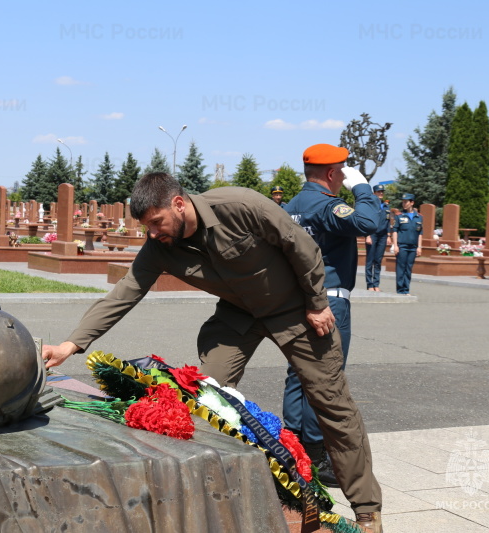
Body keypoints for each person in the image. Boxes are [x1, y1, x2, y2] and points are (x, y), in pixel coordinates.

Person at [42, 172, 383, 531]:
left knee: (332, 403)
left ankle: (367, 509)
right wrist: (71, 344)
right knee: (205, 398)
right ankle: (226, 494)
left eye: (157, 222)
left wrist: (317, 302)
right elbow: (127, 290)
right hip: (239, 317)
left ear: (178, 203)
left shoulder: (240, 206)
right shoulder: (160, 245)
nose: (154, 233)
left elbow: (301, 246)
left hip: (296, 309)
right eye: (148, 227)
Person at [282, 144, 384, 488]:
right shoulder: (325, 204)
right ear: (331, 173)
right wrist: (362, 188)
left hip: (299, 302)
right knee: (325, 378)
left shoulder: (293, 205)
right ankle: (315, 452)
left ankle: (291, 445)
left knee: (299, 374)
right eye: (342, 170)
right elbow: (370, 222)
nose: (344, 176)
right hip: (328, 304)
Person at [390, 193, 423, 295]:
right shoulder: (399, 216)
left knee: (408, 268)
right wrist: (395, 245)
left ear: (412, 203)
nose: (404, 204)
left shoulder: (419, 217)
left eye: (406, 202)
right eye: (403, 202)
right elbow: (395, 231)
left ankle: (406, 289)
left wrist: (419, 247)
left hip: (413, 247)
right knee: (401, 268)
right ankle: (400, 290)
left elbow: (420, 233)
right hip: (402, 246)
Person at [364, 184, 390, 291]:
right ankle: (370, 284)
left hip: (382, 236)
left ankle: (376, 284)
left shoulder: (386, 206)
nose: (381, 193)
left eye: (382, 192)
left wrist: (388, 236)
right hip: (372, 234)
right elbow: (366, 221)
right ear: (374, 193)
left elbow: (388, 222)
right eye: (379, 192)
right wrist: (367, 235)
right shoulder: (370, 205)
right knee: (370, 260)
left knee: (378, 260)